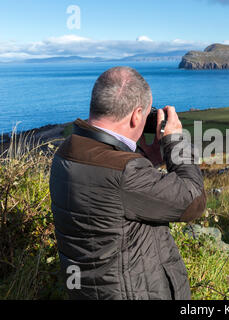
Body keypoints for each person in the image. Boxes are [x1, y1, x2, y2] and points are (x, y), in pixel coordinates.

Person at [49, 66, 206, 300]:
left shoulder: (67, 150)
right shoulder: (126, 173)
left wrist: (142, 159)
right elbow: (193, 201)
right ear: (136, 115)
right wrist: (175, 141)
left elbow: (111, 198)